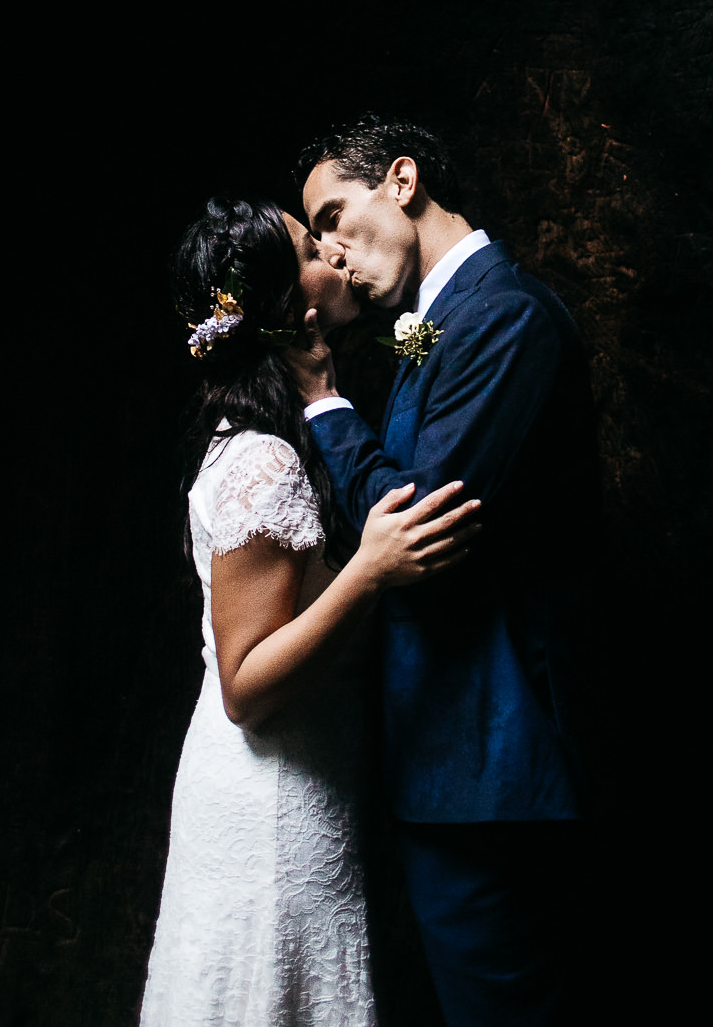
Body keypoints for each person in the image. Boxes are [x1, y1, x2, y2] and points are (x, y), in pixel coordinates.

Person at [287, 116, 601, 1027]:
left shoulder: (504, 313)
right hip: (448, 764)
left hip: (492, 772)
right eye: (318, 241)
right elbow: (406, 417)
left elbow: (416, 522)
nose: (334, 253)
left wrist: (322, 402)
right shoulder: (429, 326)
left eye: (337, 218)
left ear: (403, 179)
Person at [139, 196, 482, 1027]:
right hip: (269, 798)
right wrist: (368, 572)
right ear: (289, 308)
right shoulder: (261, 455)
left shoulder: (343, 366)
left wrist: (465, 315)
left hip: (312, 775)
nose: (335, 249)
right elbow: (245, 687)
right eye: (311, 246)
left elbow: (438, 352)